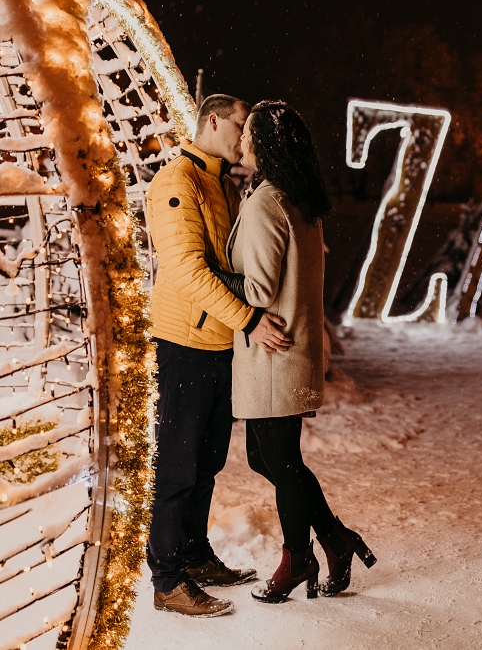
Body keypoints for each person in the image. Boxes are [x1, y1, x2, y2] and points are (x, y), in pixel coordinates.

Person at [211, 100, 375, 604]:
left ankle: (298, 556)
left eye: (249, 133)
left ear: (266, 144)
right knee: (270, 458)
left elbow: (258, 290)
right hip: (291, 349)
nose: (242, 140)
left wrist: (204, 272)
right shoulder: (298, 200)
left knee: (279, 462)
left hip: (273, 353)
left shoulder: (268, 202)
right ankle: (335, 539)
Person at [145, 94, 293, 617]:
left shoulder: (221, 184)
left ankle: (194, 556)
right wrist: (249, 320)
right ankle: (167, 580)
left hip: (216, 345)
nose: (244, 136)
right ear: (213, 120)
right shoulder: (176, 182)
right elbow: (188, 271)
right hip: (184, 344)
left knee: (205, 463)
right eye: (239, 125)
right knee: (177, 466)